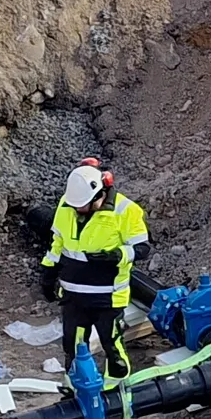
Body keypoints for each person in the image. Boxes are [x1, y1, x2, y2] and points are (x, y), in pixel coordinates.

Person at [41, 158, 150, 377]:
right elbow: (57, 243)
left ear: (99, 194)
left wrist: (117, 255)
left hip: (108, 298)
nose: (78, 210)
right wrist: (48, 273)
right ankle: (77, 387)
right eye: (75, 206)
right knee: (73, 349)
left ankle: (117, 389)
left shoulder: (126, 210)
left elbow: (142, 248)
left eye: (82, 205)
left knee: (113, 349)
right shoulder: (68, 204)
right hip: (73, 298)